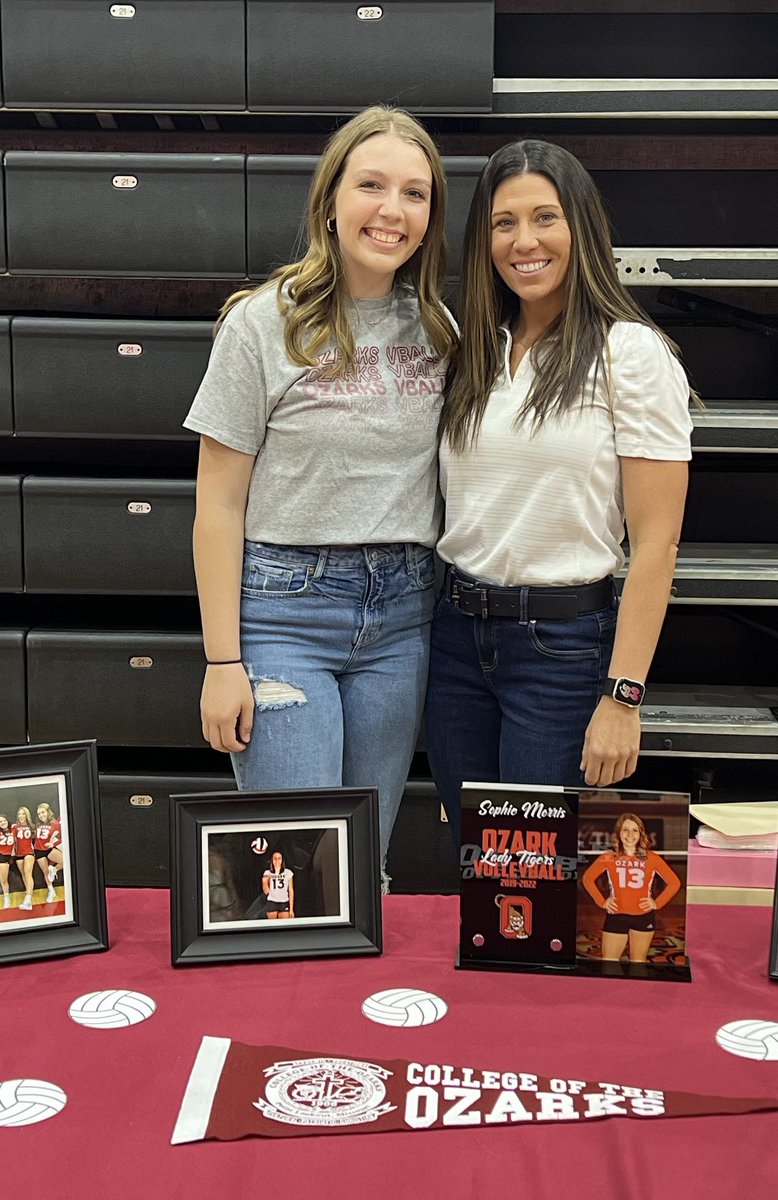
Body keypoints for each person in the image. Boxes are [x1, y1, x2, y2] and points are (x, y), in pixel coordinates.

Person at [184, 107, 457, 890]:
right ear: (329, 201)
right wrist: (222, 660)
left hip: (401, 617)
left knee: (358, 873)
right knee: (295, 869)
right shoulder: (261, 323)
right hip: (283, 616)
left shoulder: (439, 327)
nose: (392, 210)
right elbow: (217, 505)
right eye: (371, 185)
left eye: (414, 193)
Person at [425, 141, 693, 842]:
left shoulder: (629, 353)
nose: (524, 242)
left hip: (562, 652)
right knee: (475, 860)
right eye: (503, 223)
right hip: (454, 640)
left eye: (544, 218)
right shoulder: (471, 348)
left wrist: (621, 696)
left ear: (581, 227)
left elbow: (658, 542)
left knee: (536, 871)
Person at [581, 812, 681, 961]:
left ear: (641, 834)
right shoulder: (608, 857)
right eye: (625, 829)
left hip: (643, 916)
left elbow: (674, 883)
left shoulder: (652, 858)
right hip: (616, 915)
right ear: (619, 833)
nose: (630, 834)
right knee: (609, 963)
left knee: (638, 964)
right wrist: (602, 902)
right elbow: (587, 879)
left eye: (635, 830)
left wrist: (657, 903)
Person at [34, 803, 63, 904]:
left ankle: (55, 869)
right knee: (46, 872)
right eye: (39, 814)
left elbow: (63, 837)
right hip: (39, 851)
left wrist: (53, 843)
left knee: (66, 861)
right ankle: (51, 891)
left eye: (43, 812)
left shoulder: (55, 823)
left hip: (50, 849)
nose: (41, 815)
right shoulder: (37, 824)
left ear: (48, 811)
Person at [11, 806, 36, 911]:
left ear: (27, 815)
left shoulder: (32, 826)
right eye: (19, 814)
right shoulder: (15, 827)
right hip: (19, 854)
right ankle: (28, 899)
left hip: (29, 853)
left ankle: (28, 898)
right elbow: (12, 841)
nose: (21, 816)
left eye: (23, 814)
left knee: (27, 873)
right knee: (23, 875)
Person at [262, 851, 295, 920]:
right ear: (272, 860)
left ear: (282, 860)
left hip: (284, 902)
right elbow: (266, 891)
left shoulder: (288, 872)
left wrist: (291, 909)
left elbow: (290, 890)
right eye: (275, 858)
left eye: (279, 858)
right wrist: (264, 882)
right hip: (272, 902)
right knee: (272, 926)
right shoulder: (267, 873)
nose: (277, 860)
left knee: (285, 925)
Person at [0, 814, 14, 909]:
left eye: (4, 820)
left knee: (4, 879)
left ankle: (7, 898)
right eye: (0, 822)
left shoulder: (13, 829)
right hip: (1, 855)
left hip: (6, 857)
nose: (3, 822)